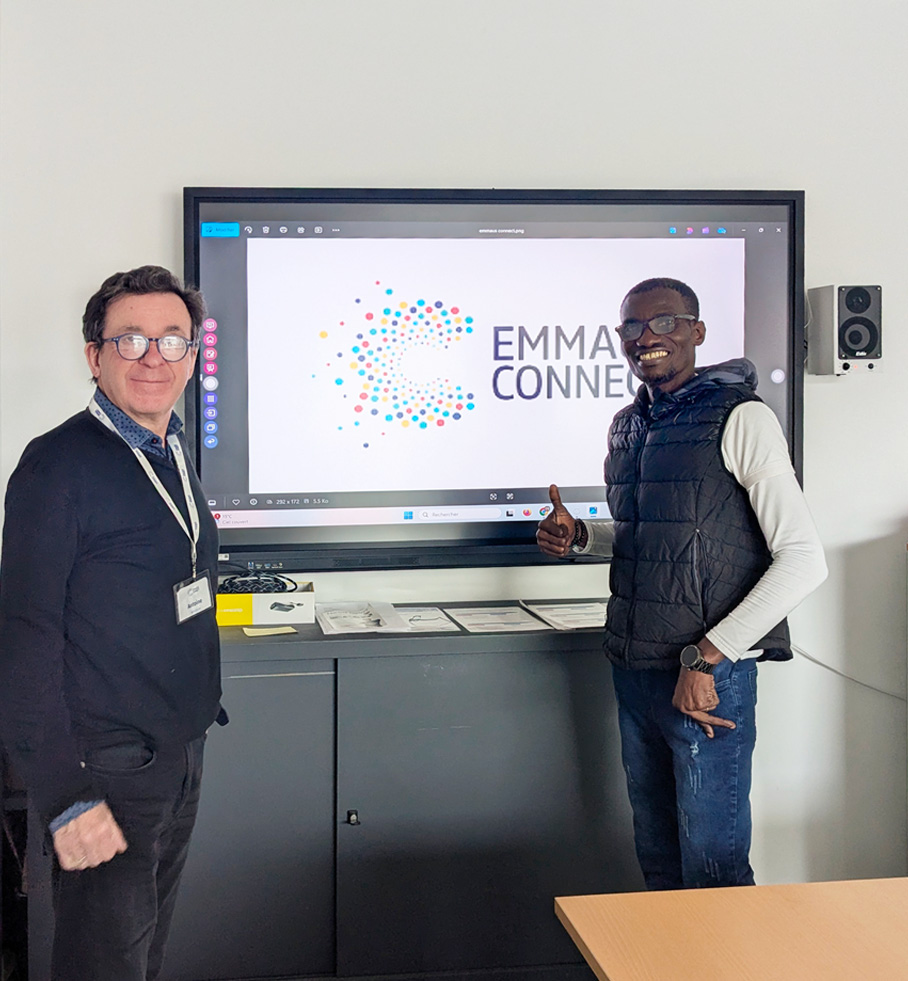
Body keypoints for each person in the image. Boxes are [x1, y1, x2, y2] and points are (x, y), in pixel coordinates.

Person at [537, 277, 827, 890]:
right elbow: (657, 535)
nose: (647, 337)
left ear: (696, 332)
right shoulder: (628, 425)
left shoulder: (741, 417)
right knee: (660, 862)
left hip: (706, 678)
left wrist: (707, 658)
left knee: (713, 870)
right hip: (636, 668)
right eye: (632, 327)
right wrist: (581, 536)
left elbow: (803, 559)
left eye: (664, 322)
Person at [0, 265, 224, 980]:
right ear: (94, 355)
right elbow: (23, 643)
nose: (153, 357)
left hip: (175, 759)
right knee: (103, 964)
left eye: (171, 339)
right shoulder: (55, 468)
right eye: (130, 339)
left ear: (192, 355)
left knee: (142, 956)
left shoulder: (170, 447)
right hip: (106, 771)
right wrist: (68, 800)